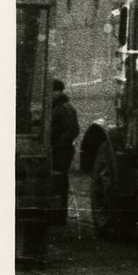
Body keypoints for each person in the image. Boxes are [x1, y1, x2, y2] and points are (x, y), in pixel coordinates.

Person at [48, 79, 79, 225]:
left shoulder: (64, 108)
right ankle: (57, 215)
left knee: (59, 182)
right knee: (57, 181)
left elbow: (72, 130)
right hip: (59, 150)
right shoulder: (58, 107)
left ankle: (59, 216)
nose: (52, 94)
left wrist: (58, 145)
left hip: (61, 151)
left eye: (54, 91)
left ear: (59, 92)